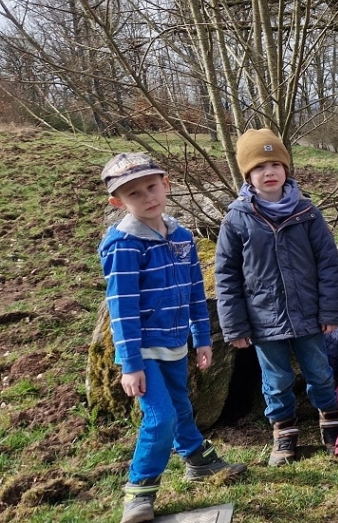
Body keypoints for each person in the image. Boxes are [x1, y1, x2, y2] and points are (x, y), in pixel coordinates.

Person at [99, 153, 245, 523]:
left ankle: (198, 461)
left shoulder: (181, 236)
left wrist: (202, 337)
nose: (147, 197)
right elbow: (122, 308)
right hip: (142, 350)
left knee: (180, 406)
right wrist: (130, 364)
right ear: (118, 202)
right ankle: (139, 492)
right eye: (134, 193)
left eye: (152, 186)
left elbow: (196, 289)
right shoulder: (124, 245)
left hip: (176, 343)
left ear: (166, 184)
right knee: (160, 417)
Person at [215, 129, 338, 467]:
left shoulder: (307, 213)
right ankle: (284, 430)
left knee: (319, 371)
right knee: (275, 380)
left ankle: (330, 417)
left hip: (308, 313)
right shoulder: (237, 219)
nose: (269, 172)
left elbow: (329, 264)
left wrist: (331, 310)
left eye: (275, 164)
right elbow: (226, 276)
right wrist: (235, 326)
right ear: (248, 175)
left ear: (286, 169)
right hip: (263, 318)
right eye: (259, 167)